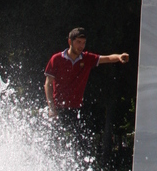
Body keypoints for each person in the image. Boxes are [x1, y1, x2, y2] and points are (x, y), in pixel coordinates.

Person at [44, 27, 129, 162]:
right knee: (54, 141)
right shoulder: (56, 59)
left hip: (76, 108)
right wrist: (51, 107)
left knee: (82, 142)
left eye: (83, 43)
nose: (81, 46)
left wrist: (118, 57)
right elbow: (48, 84)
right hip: (58, 108)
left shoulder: (87, 58)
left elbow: (105, 58)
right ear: (70, 42)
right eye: (78, 42)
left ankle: (78, 168)